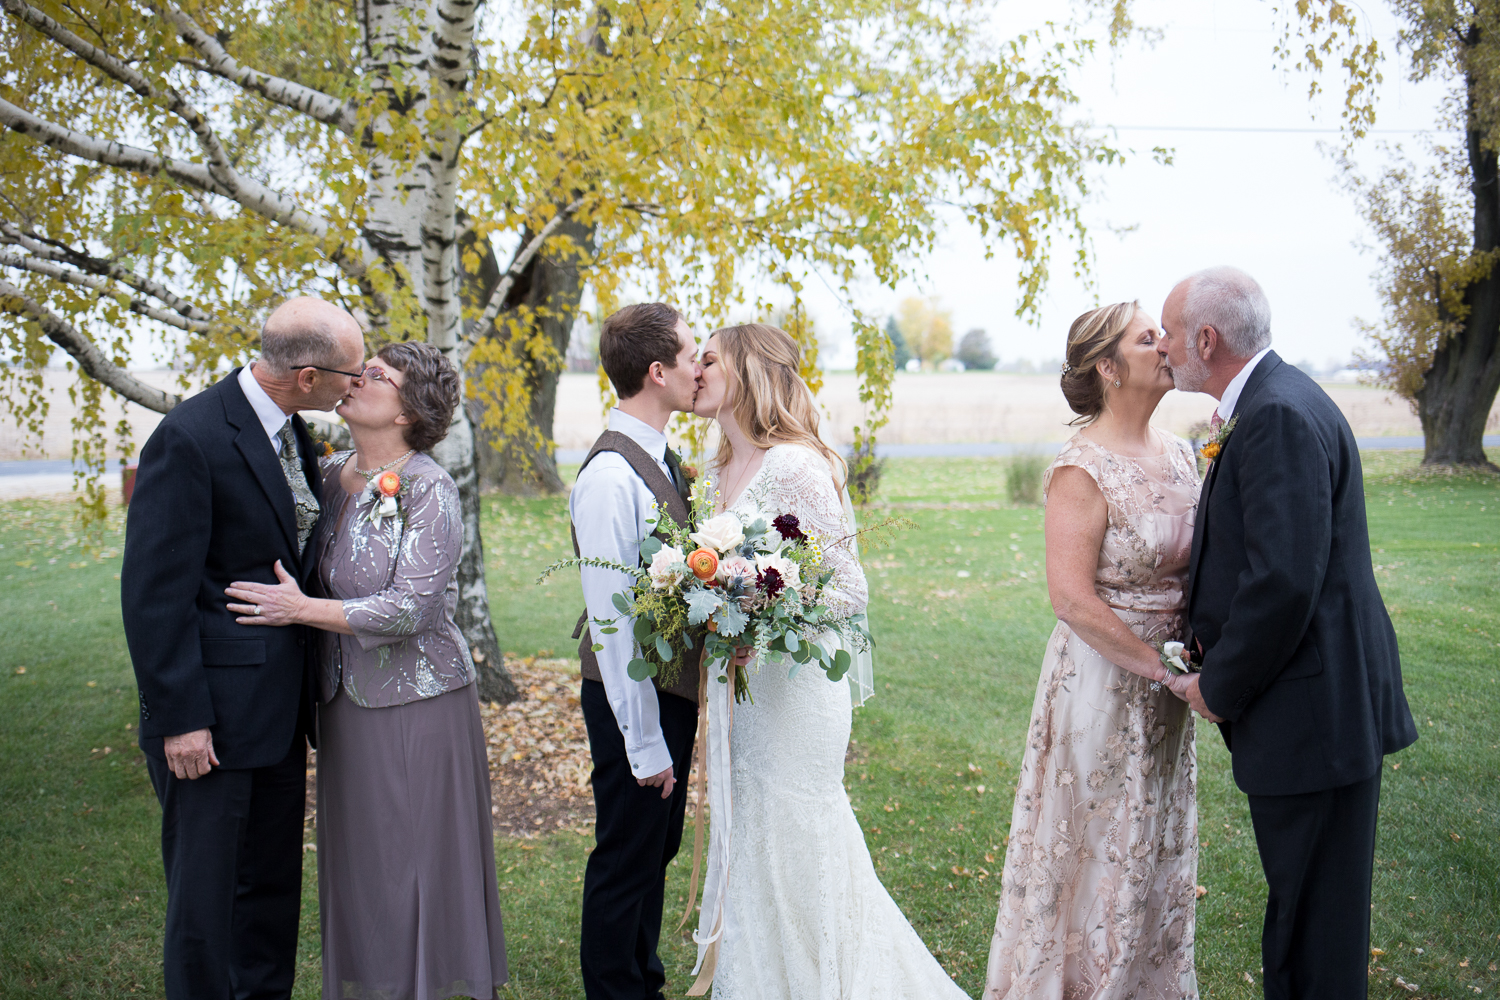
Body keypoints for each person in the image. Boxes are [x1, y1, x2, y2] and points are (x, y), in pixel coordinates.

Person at [1157, 267, 1417, 1000]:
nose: (1164, 346)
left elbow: (1283, 582)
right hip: (1320, 708)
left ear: (1206, 339)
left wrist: (1218, 687)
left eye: (1171, 332)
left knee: (1313, 934)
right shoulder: (1276, 398)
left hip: (1313, 717)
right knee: (1309, 917)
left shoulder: (1273, 414)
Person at [687, 323, 969, 1000]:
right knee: (754, 835)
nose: (694, 370)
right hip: (746, 687)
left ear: (748, 372)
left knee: (799, 834)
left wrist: (754, 594)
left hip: (798, 689)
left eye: (708, 360)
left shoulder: (796, 466)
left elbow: (847, 588)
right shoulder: (715, 468)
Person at [222, 341, 508, 1000]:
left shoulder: (429, 486)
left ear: (410, 409)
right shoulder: (328, 473)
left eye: (376, 375)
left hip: (420, 703)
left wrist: (299, 609)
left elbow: (411, 607)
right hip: (343, 707)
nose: (357, 378)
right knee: (362, 865)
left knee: (412, 862)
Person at [121, 297, 365, 1000]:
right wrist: (180, 719)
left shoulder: (296, 432)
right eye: (349, 373)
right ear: (309, 374)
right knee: (206, 905)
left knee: (268, 895)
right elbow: (154, 595)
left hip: (279, 715)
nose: (357, 384)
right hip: (210, 722)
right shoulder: (190, 437)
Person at [984, 301, 1201, 1000]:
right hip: (1101, 686)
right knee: (1096, 848)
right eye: (1148, 338)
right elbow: (1072, 599)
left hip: (1171, 686)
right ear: (1109, 368)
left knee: (1152, 845)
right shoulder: (1081, 467)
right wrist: (1159, 668)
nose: (1165, 345)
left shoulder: (1180, 451)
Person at [569, 302, 703, 1000]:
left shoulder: (663, 460)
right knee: (626, 853)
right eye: (690, 355)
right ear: (657, 371)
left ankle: (640, 979)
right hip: (631, 694)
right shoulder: (610, 479)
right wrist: (645, 743)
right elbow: (613, 622)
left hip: (667, 689)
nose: (698, 367)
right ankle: (616, 988)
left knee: (656, 848)